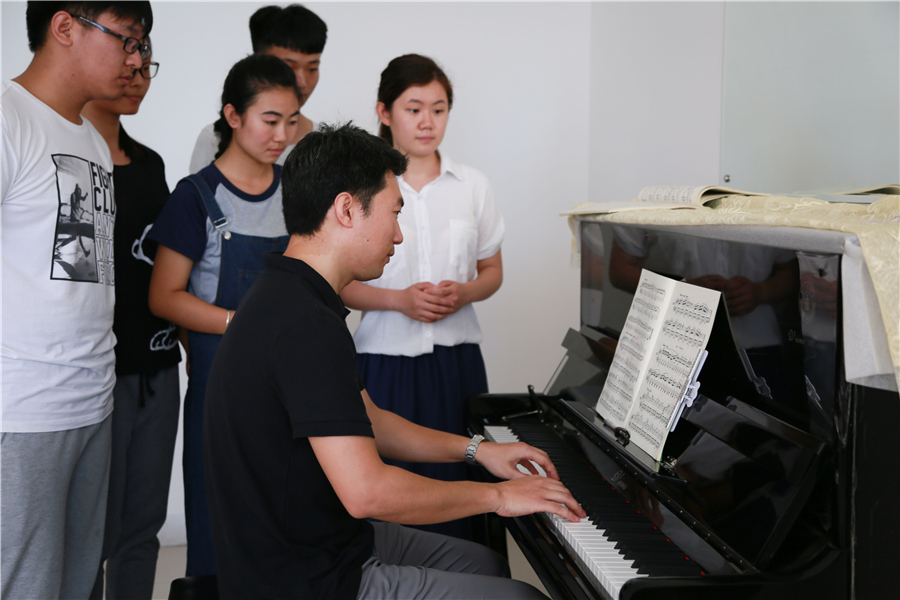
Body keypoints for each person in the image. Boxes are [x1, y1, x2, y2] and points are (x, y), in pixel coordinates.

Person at [204, 122, 585, 600]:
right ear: (347, 209)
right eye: (394, 213)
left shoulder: (296, 295)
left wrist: (478, 451)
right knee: (521, 597)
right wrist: (499, 496)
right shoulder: (302, 324)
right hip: (305, 580)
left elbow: (373, 422)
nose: (399, 236)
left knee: (487, 563)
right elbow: (369, 493)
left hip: (327, 540)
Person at [1, 3, 152, 598]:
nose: (136, 60)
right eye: (127, 40)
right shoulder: (8, 116)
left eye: (141, 46)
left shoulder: (90, 138)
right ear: (64, 27)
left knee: (79, 583)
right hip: (22, 409)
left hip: (92, 399)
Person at [340, 54, 504, 540]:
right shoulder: (360, 187)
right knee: (392, 493)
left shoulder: (472, 185)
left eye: (439, 109)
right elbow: (338, 281)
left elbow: (493, 272)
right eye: (414, 109)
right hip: (383, 363)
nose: (427, 122)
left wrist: (465, 292)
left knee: (463, 484)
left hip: (458, 363)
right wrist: (398, 301)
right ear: (384, 112)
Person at [148, 53, 300, 576]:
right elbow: (164, 296)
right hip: (220, 388)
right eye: (270, 120)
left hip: (291, 386)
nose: (282, 135)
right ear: (233, 116)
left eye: (291, 121)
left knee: (288, 526)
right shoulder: (196, 197)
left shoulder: (298, 193)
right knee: (219, 530)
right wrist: (242, 324)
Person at [81, 40, 182, 600]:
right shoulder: (71, 162)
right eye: (128, 64)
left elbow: (167, 270)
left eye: (146, 67)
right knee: (93, 534)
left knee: (143, 527)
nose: (137, 77)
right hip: (97, 373)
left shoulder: (149, 165)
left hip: (158, 366)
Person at [188, 3, 326, 173]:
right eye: (288, 67)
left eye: (312, 68)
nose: (302, 82)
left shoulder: (326, 144)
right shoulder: (213, 139)